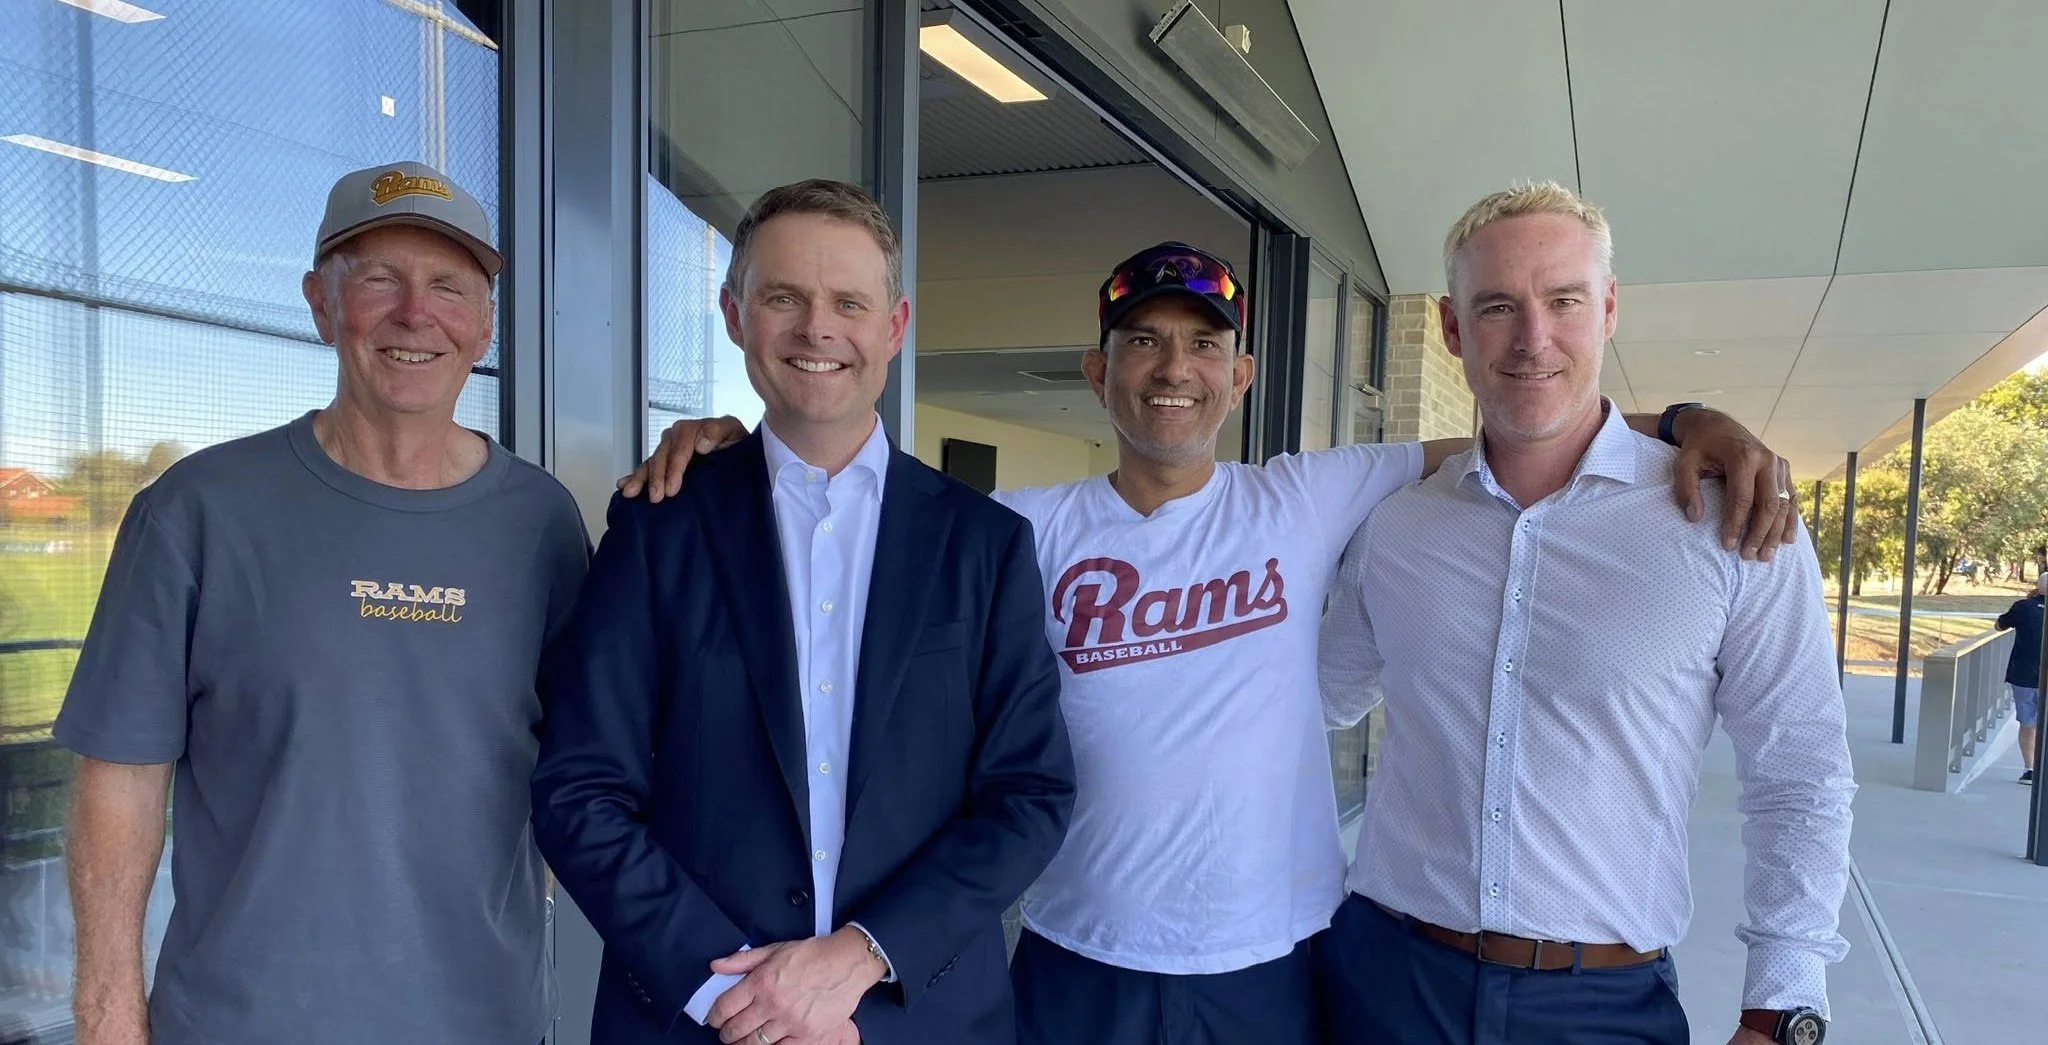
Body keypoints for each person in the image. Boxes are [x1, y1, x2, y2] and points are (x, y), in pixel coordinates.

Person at [627, 232, 1798, 1043]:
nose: (1170, 368)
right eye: (1140, 342)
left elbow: (1519, 422)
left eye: (1199, 345)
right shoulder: (1013, 531)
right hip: (1076, 952)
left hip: (1275, 963)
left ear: (1239, 373)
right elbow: (850, 490)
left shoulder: (1301, 497)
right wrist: (735, 438)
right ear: (1098, 371)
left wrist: (1691, 422)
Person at [52, 161, 589, 1045]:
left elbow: (586, 767)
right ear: (320, 302)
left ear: (485, 324)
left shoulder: (542, 525)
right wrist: (108, 1015)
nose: (416, 314)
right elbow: (121, 774)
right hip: (243, 1021)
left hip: (481, 1018)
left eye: (449, 287)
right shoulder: (199, 510)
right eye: (379, 278)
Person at [529, 179, 1076, 1045]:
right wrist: (738, 996)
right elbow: (578, 789)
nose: (817, 329)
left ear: (892, 327)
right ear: (735, 314)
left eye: (848, 303)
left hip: (917, 1020)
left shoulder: (985, 545)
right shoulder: (658, 527)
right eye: (783, 297)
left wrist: (863, 953)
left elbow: (1029, 793)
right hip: (697, 1020)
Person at [1316, 181, 1856, 1045]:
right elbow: (1314, 699)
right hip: (1384, 982)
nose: (1534, 338)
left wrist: (1781, 1003)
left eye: (1563, 300)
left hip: (1601, 1007)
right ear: (1454, 331)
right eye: (1497, 306)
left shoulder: (1737, 522)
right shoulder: (1398, 525)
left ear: (1607, 310)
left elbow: (1800, 769)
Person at [1994, 573, 2045, 783]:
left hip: (2024, 675)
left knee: (2028, 723)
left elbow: (1999, 625)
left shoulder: (2023, 607)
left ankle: (2030, 769)